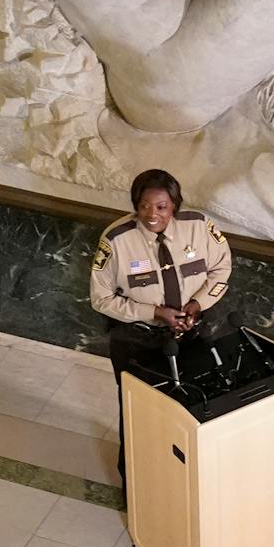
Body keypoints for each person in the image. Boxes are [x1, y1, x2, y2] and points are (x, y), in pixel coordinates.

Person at [89, 166, 232, 481]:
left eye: (161, 207)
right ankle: (138, 487)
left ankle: (188, 482)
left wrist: (198, 304)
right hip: (137, 341)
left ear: (175, 206)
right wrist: (153, 312)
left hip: (191, 334)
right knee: (140, 417)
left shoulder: (200, 228)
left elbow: (221, 268)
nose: (151, 215)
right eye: (143, 206)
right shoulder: (116, 241)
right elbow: (100, 299)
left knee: (195, 408)